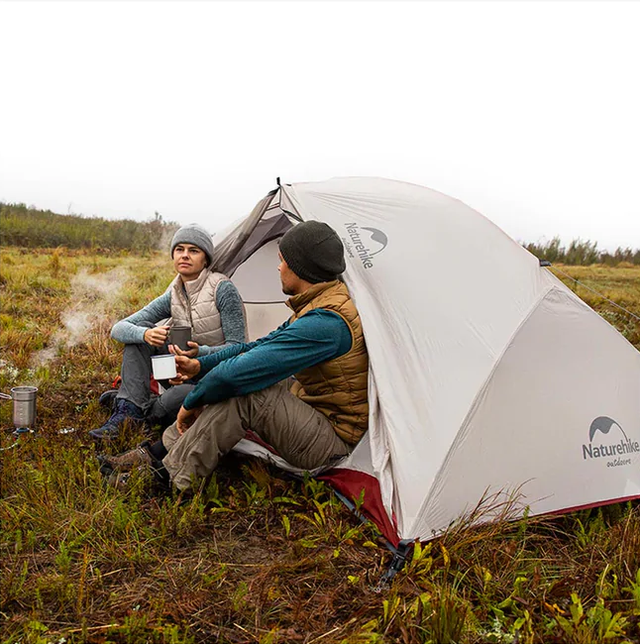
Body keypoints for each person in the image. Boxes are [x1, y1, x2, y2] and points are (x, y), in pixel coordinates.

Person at [100, 220, 369, 491]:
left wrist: (193, 400)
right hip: (312, 407)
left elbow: (239, 371)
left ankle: (169, 479)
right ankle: (156, 453)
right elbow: (256, 347)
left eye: (282, 260)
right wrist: (199, 366)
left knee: (245, 391)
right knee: (241, 380)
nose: (278, 267)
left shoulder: (325, 324)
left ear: (300, 268)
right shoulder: (317, 307)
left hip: (332, 439)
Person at [89, 223, 247, 440]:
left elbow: (238, 347)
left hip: (212, 377)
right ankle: (129, 411)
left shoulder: (222, 289)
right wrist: (145, 335)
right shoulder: (173, 294)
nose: (185, 256)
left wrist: (200, 353)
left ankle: (134, 409)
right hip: (179, 373)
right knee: (140, 333)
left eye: (193, 251)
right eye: (179, 249)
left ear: (206, 259)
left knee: (179, 400)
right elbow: (119, 328)